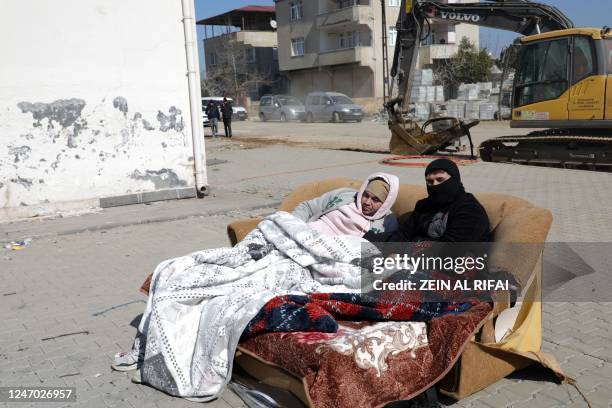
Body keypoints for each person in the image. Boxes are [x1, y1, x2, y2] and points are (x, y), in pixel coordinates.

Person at [364, 158, 489, 243]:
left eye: (440, 180)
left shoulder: (470, 210)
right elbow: (403, 233)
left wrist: (402, 255)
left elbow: (450, 251)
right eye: (430, 182)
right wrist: (392, 252)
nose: (435, 185)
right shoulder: (424, 205)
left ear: (455, 180)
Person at [292, 172, 399, 237]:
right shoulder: (344, 195)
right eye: (366, 195)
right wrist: (294, 226)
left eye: (375, 200)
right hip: (307, 234)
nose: (367, 202)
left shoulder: (388, 221)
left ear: (385, 203)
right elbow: (307, 207)